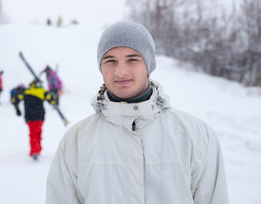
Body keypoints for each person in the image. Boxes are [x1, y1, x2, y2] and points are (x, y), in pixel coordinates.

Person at [46, 21, 229, 203]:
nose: (120, 71)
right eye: (110, 61)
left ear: (148, 65)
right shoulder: (75, 142)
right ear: (101, 67)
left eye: (132, 59)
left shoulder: (196, 136)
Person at [14, 80, 57, 160]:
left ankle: (35, 151)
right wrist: (53, 96)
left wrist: (17, 109)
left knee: (33, 133)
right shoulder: (42, 91)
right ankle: (37, 150)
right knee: (37, 132)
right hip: (39, 115)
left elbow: (15, 99)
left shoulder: (27, 91)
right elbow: (51, 100)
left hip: (30, 117)